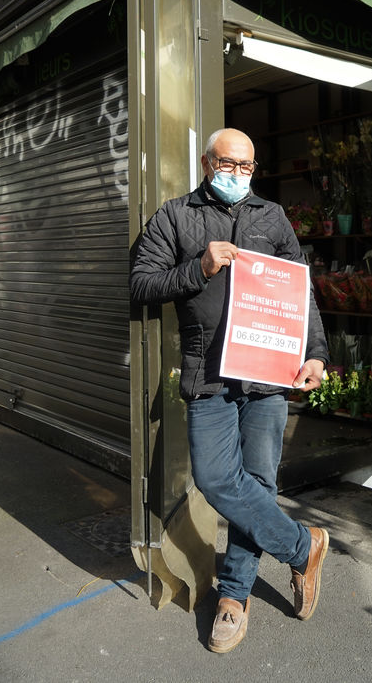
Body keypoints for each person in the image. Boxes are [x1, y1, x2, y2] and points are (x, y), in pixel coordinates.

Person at [130, 127, 330, 653]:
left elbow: (301, 291)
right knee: (216, 478)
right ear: (206, 163)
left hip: (268, 374)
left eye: (246, 166)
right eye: (228, 164)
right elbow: (141, 283)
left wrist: (315, 352)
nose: (238, 174)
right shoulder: (175, 216)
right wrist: (198, 267)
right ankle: (302, 546)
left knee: (258, 484)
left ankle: (233, 598)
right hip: (209, 375)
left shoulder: (272, 216)